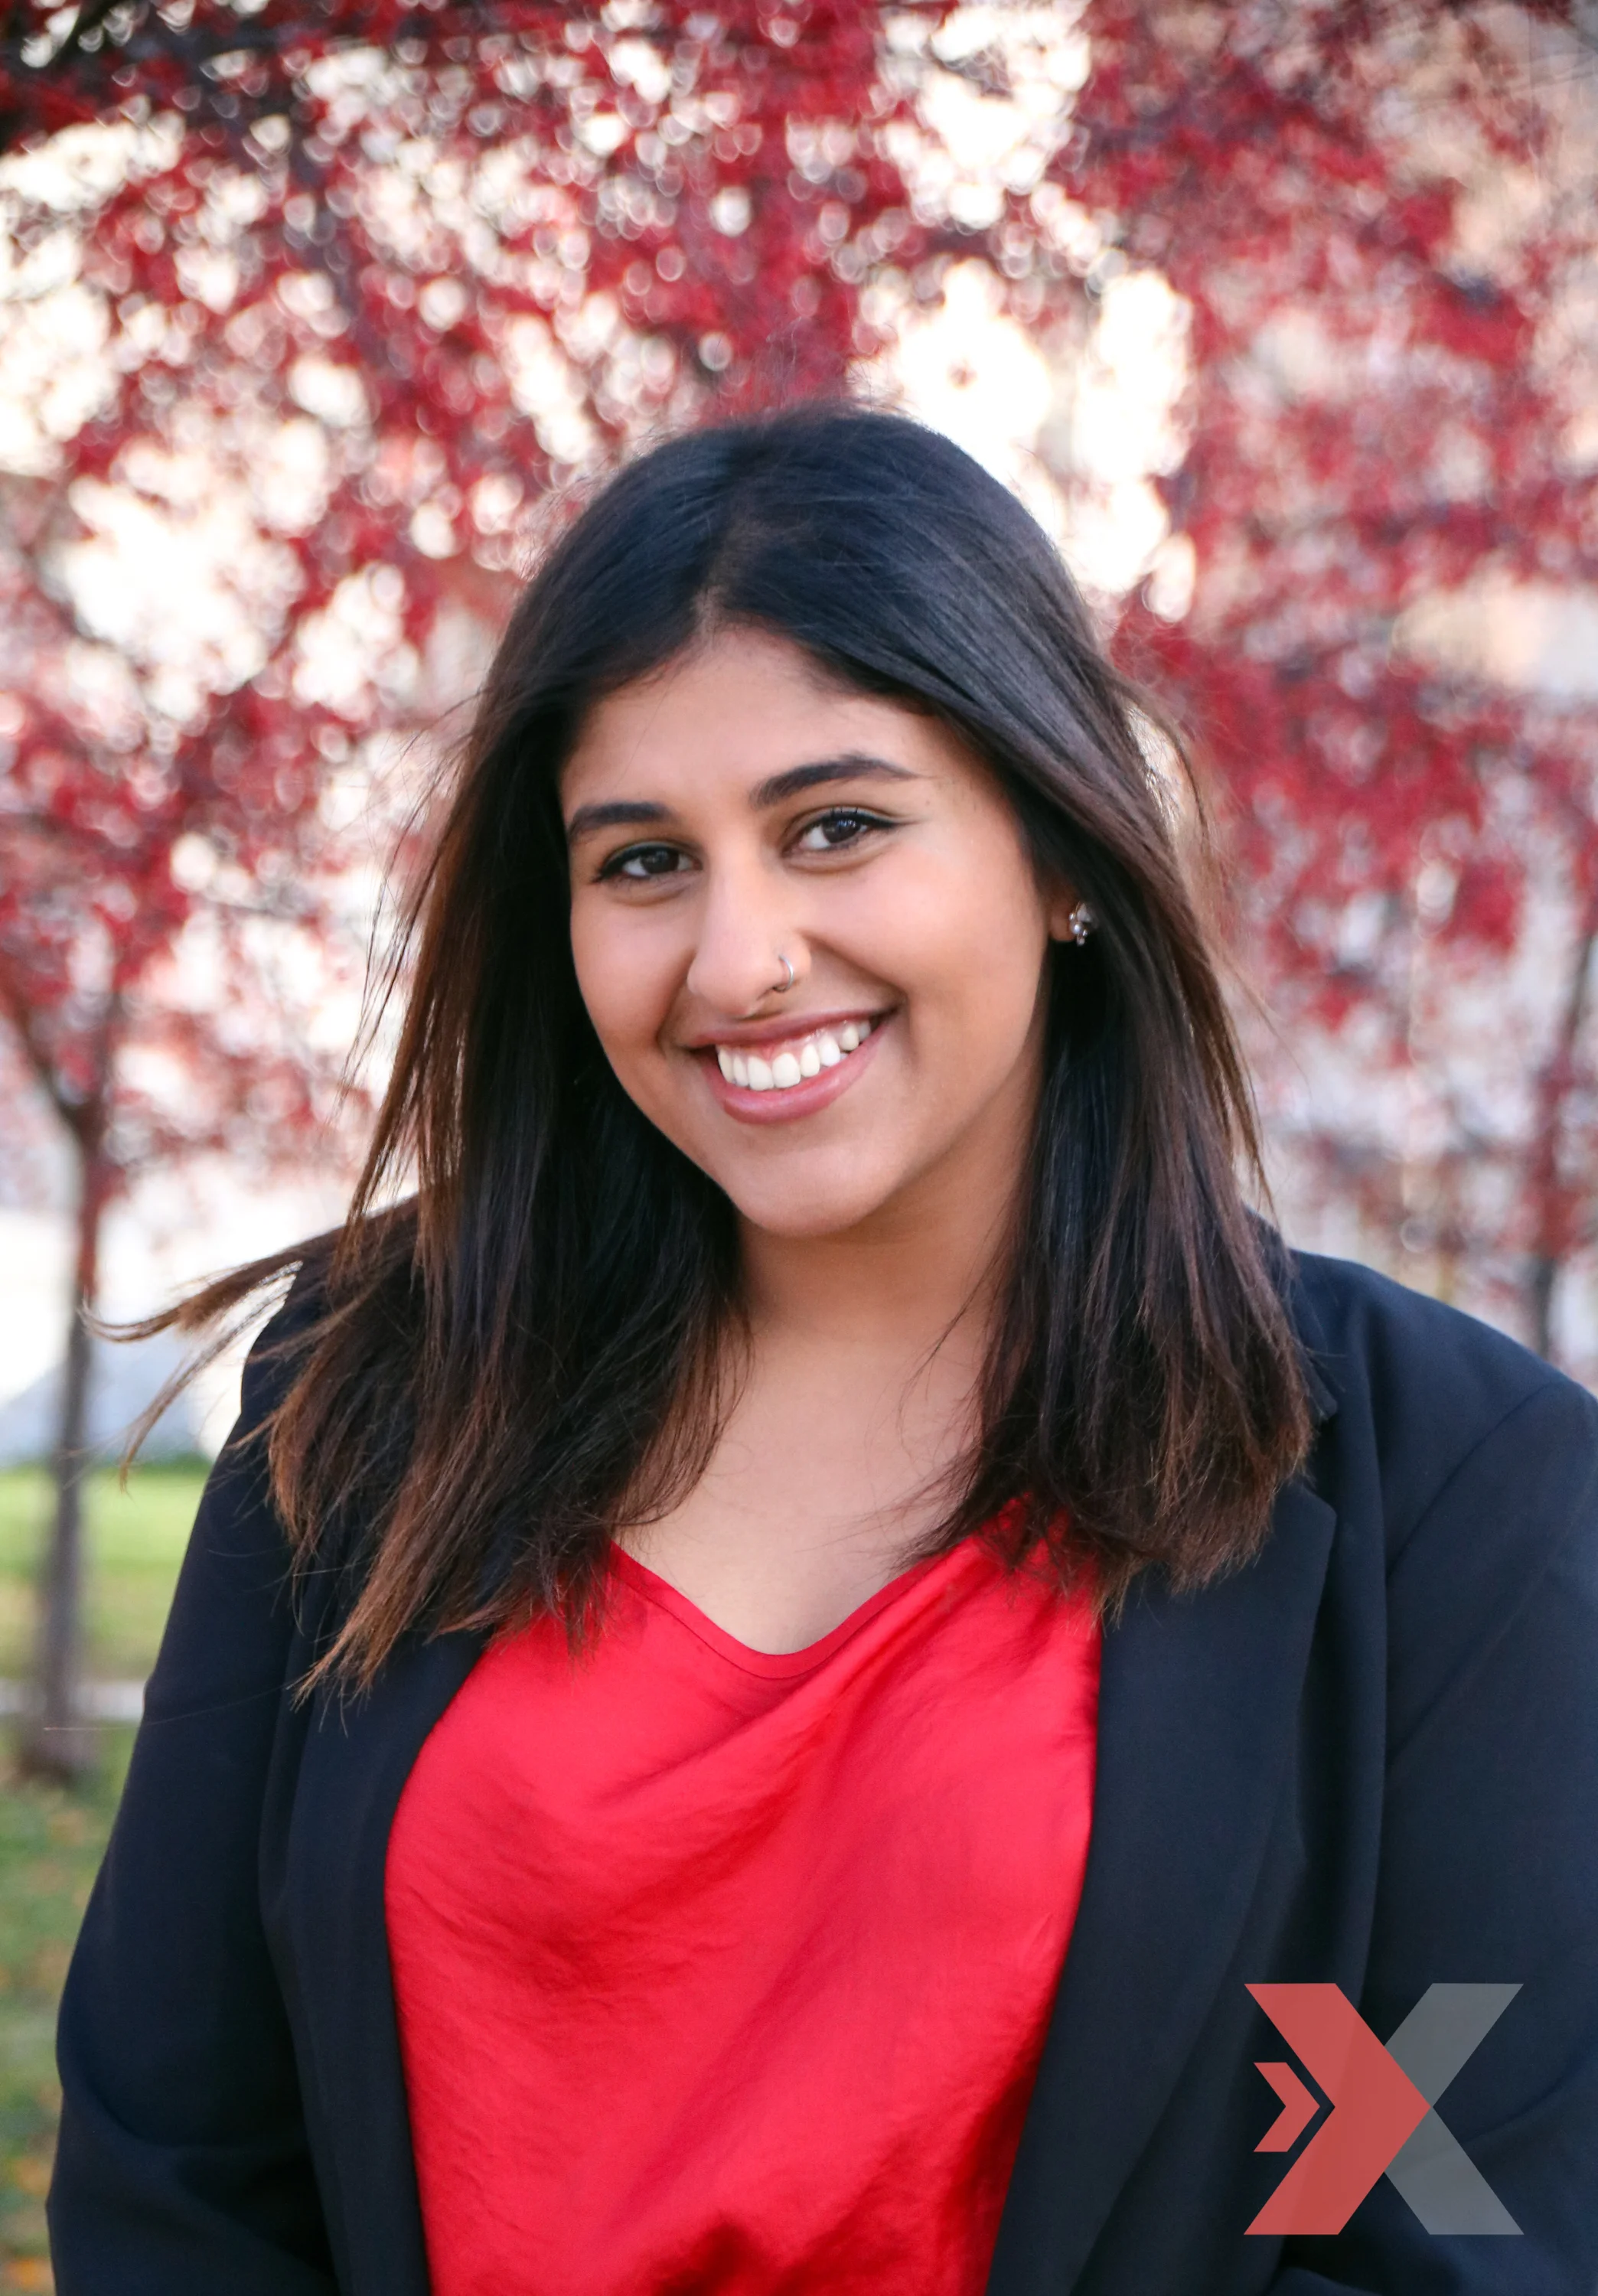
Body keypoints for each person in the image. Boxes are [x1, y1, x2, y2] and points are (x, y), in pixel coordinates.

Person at [48, 406, 1598, 2296]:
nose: (739, 957)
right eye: (641, 863)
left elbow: (1451, 2218)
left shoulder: (1440, 1491)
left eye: (837, 826)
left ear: (1061, 849)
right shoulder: (375, 1394)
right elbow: (179, 2167)